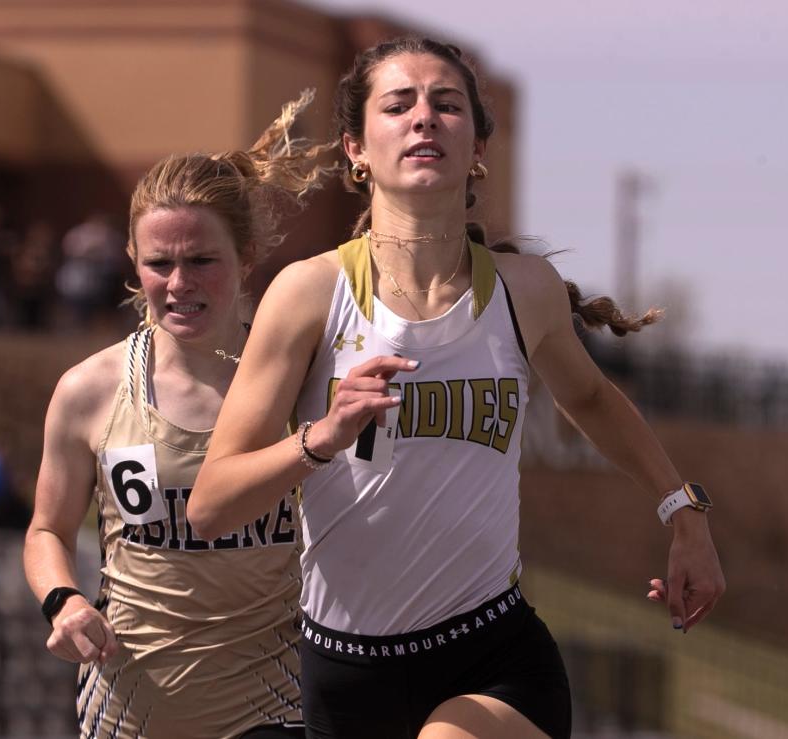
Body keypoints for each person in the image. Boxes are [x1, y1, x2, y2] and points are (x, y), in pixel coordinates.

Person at [189, 38, 725, 739]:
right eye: (398, 104)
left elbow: (589, 399)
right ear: (355, 148)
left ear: (476, 148)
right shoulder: (309, 294)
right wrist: (320, 438)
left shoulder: (521, 290)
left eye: (446, 104)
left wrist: (683, 512)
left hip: (491, 660)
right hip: (344, 674)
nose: (423, 118)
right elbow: (209, 505)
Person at [23, 92, 329, 739]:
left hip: (272, 702)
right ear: (133, 262)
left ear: (245, 258)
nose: (178, 282)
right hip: (127, 706)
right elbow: (47, 529)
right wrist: (65, 599)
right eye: (159, 262)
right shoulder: (90, 389)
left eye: (201, 261)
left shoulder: (301, 383)